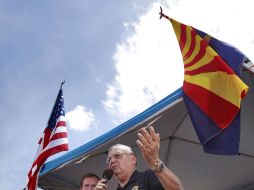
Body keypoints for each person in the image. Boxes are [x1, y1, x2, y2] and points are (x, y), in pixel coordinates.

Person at [95, 126, 184, 190]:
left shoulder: (148, 176)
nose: (112, 161)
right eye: (109, 159)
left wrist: (155, 161)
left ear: (133, 159)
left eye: (117, 156)